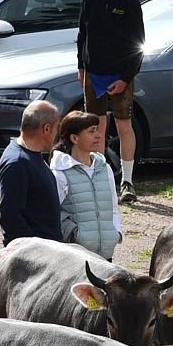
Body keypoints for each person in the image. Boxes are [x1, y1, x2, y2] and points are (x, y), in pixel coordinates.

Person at [76, 0, 144, 205]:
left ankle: (127, 181)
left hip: (120, 74)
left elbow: (139, 45)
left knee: (124, 125)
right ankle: (99, 179)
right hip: (93, 72)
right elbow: (82, 34)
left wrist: (125, 78)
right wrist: (82, 67)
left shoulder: (129, 2)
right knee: (96, 127)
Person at [51, 110, 121, 258]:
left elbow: (113, 207)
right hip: (76, 258)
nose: (98, 135)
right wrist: (73, 235)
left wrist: (115, 233)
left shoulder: (104, 168)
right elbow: (52, 213)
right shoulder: (60, 173)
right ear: (74, 138)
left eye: (97, 129)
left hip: (105, 256)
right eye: (91, 131)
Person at [0, 100, 62, 244]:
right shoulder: (18, 163)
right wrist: (37, 248)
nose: (57, 133)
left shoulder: (31, 154)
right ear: (46, 129)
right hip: (36, 254)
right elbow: (10, 218)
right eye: (57, 127)